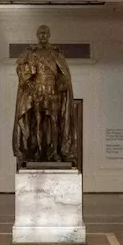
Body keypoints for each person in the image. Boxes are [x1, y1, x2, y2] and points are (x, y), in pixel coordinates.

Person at [12, 24, 76, 167]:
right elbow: (21, 69)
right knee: (38, 123)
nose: (43, 35)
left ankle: (54, 152)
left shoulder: (56, 53)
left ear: (49, 35)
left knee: (54, 123)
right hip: (37, 93)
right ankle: (38, 153)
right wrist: (27, 82)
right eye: (40, 33)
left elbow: (64, 74)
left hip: (53, 93)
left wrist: (63, 83)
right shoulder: (31, 52)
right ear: (37, 35)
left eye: (45, 33)